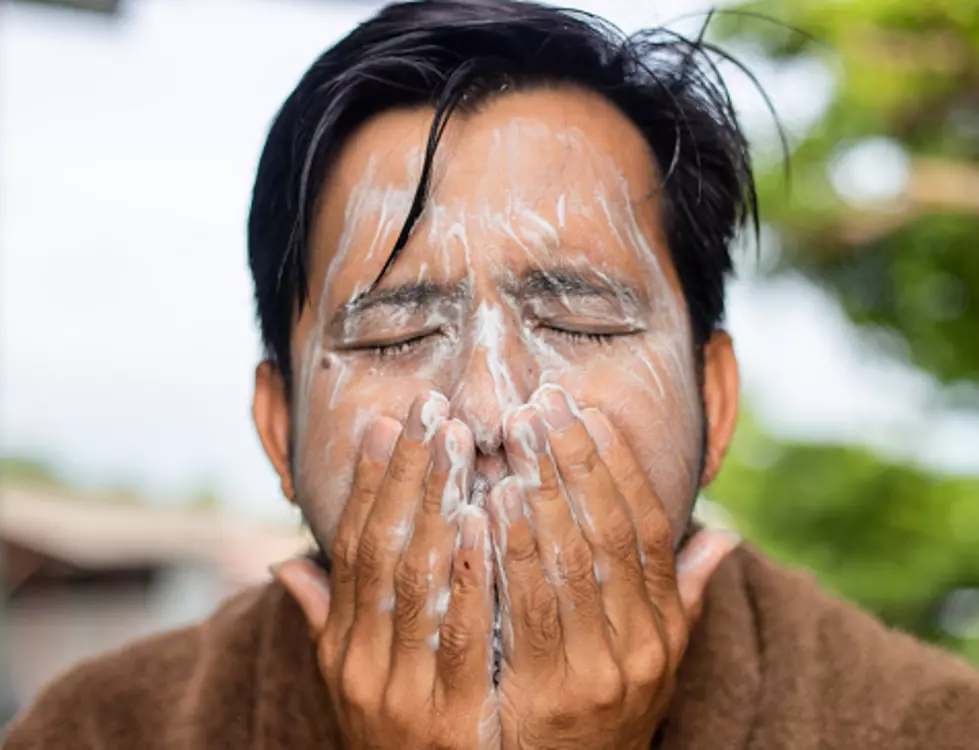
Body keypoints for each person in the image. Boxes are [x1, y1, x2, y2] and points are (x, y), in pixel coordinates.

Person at [5, 2, 978, 748]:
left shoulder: (930, 727)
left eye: (577, 320)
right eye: (390, 340)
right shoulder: (100, 728)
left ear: (714, 403)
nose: (485, 406)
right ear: (278, 428)